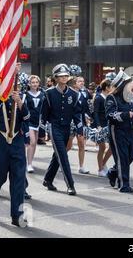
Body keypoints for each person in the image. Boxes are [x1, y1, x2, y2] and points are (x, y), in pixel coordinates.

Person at [0, 64, 31, 227]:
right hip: (0, 141)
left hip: (16, 141)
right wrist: (3, 94)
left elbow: (27, 117)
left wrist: (20, 102)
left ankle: (17, 215)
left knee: (18, 179)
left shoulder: (20, 95)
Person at [42, 64, 82, 196]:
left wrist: (80, 128)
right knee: (63, 156)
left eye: (66, 76)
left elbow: (77, 113)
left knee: (58, 155)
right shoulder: (49, 93)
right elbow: (45, 113)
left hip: (67, 128)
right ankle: (70, 184)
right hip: (54, 127)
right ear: (56, 78)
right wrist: (44, 129)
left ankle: (48, 179)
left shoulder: (74, 94)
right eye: (61, 76)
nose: (64, 78)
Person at [105, 71, 133, 193]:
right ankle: (124, 184)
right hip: (117, 130)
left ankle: (113, 172)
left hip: (130, 130)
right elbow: (110, 115)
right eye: (130, 83)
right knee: (122, 157)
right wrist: (125, 115)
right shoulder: (112, 97)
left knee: (130, 156)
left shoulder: (131, 97)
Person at [66, 76, 90, 174]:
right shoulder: (68, 94)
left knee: (81, 144)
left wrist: (88, 116)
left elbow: (86, 108)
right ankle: (59, 160)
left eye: (83, 81)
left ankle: (81, 166)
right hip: (70, 121)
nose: (82, 83)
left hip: (80, 121)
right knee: (68, 145)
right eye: (79, 81)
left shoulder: (84, 94)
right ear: (73, 83)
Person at [92, 79, 112, 177]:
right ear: (106, 88)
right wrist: (98, 126)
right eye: (110, 86)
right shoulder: (99, 98)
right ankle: (100, 169)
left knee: (112, 147)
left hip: (108, 125)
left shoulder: (109, 97)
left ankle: (103, 164)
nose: (112, 88)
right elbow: (95, 113)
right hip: (100, 126)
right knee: (102, 147)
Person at [25, 75, 45, 173]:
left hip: (38, 122)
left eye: (36, 82)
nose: (35, 84)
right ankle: (28, 164)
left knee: (34, 144)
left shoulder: (42, 94)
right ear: (29, 84)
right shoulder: (26, 94)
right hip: (29, 122)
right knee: (31, 142)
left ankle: (30, 162)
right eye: (33, 82)